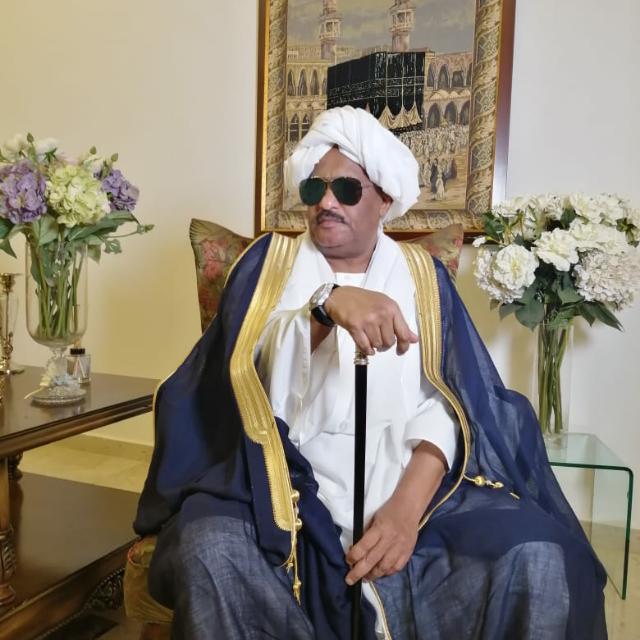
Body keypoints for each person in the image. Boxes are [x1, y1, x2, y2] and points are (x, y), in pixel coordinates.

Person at [134, 106, 607, 639]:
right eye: (314, 190)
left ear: (383, 199)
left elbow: (452, 402)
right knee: (208, 550)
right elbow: (244, 372)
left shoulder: (421, 275)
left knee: (540, 555)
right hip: (272, 484)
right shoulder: (268, 263)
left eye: (346, 189)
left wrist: (405, 509)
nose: (326, 202)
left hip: (407, 483)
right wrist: (325, 304)